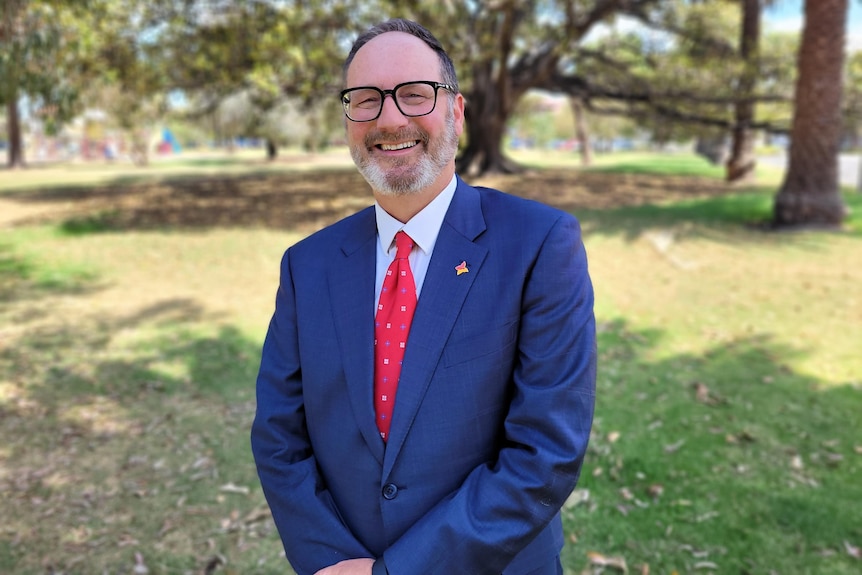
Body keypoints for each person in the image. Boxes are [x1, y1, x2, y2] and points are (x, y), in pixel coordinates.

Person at [251, 18, 596, 575]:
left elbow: (545, 453)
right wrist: (330, 560)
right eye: (366, 100)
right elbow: (278, 436)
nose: (390, 119)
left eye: (415, 95)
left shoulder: (539, 245)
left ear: (455, 112)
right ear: (347, 121)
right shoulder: (307, 265)